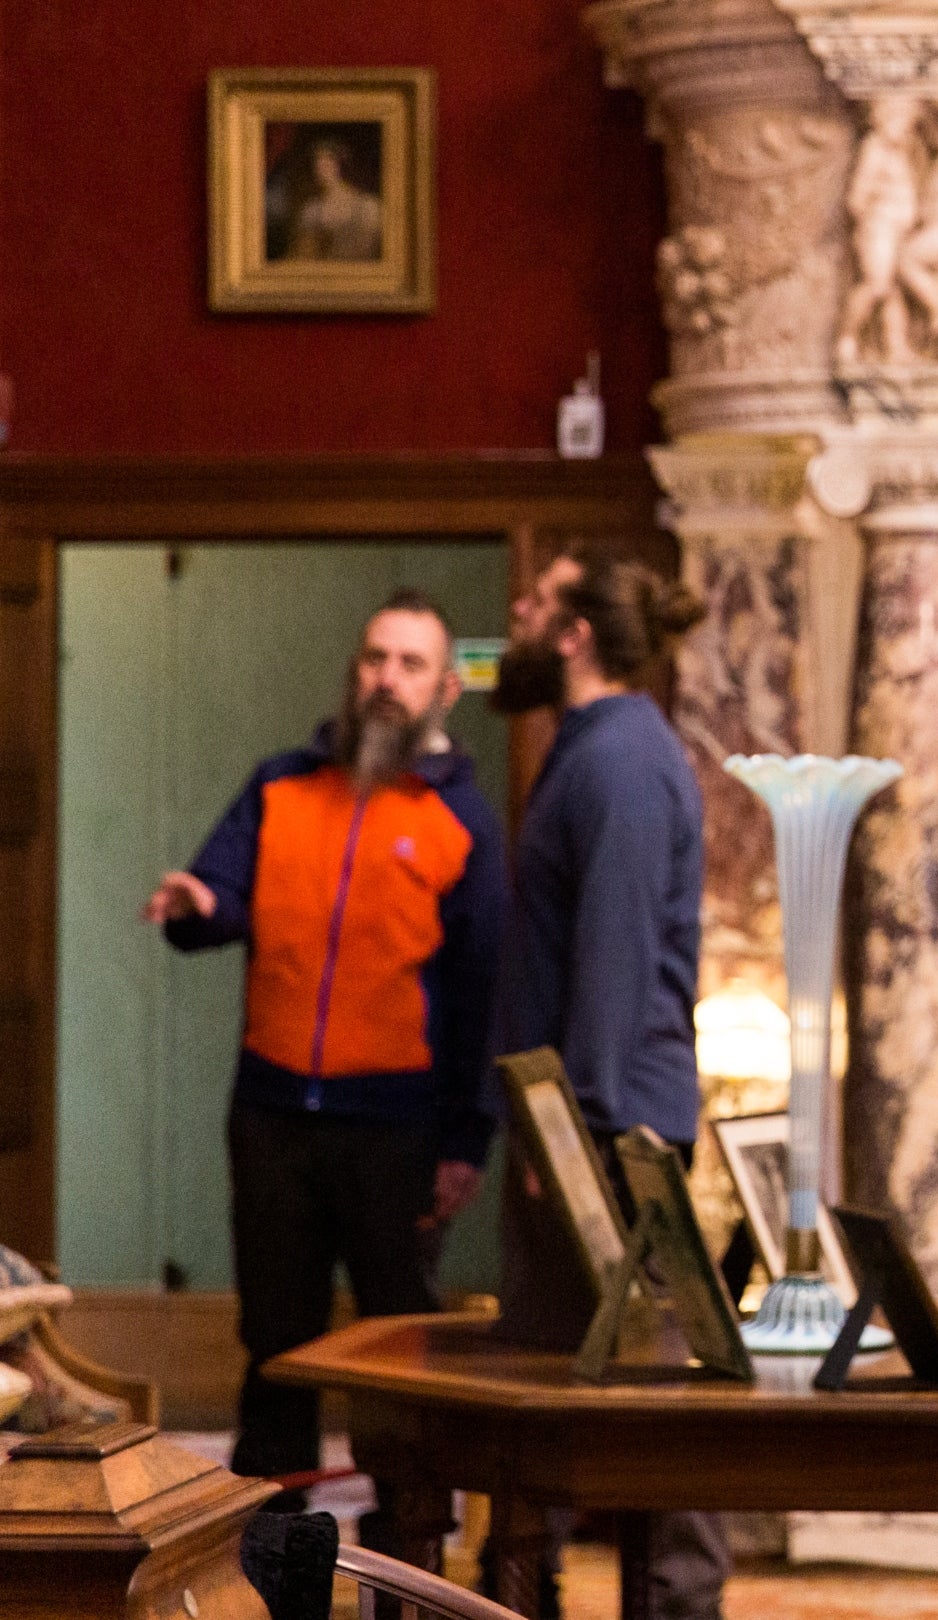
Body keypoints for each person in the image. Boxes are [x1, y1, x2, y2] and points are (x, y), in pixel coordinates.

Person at [145, 589, 503, 1517]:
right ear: (356, 671)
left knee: (395, 1354)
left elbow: (481, 998)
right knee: (274, 1345)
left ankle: (408, 1559)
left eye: (410, 664)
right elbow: (218, 895)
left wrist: (468, 1143)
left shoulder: (463, 822)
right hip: (271, 1119)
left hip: (398, 1131)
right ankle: (269, 1564)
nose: (388, 679)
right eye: (375, 658)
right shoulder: (280, 785)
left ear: (445, 689)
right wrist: (198, 904)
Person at [479, 549, 722, 1617]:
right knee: (567, 1407)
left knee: (650, 1414)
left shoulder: (620, 759)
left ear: (575, 633)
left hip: (609, 1140)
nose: (518, 621)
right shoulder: (592, 750)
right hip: (595, 1128)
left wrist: (565, 1139)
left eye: (534, 606)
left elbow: (616, 963)